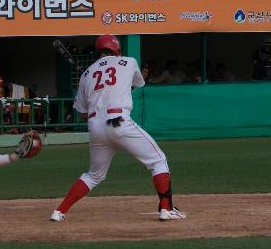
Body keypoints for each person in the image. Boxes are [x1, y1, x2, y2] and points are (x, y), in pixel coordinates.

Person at [51, 34, 186, 222]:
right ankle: (166, 208)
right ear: (117, 49)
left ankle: (59, 211)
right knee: (158, 161)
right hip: (119, 122)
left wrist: (97, 94)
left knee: (94, 175)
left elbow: (81, 113)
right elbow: (138, 83)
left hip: (96, 126)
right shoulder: (128, 62)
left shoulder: (86, 74)